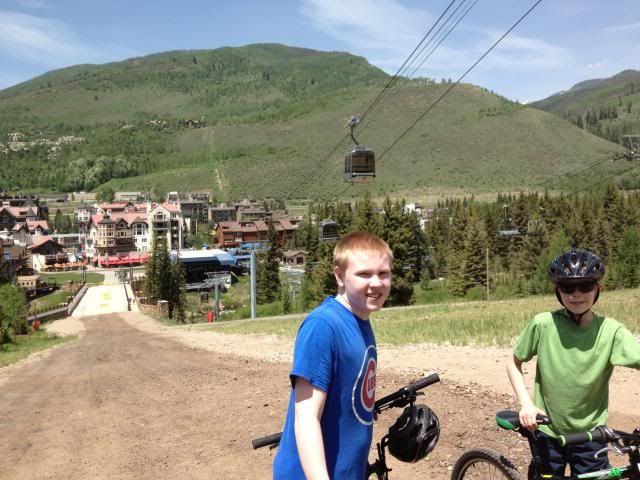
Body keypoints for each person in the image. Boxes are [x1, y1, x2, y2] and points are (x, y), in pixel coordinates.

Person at [507, 249, 640, 477]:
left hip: (591, 436)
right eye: (568, 287)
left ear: (597, 289)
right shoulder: (543, 324)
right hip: (547, 431)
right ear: (558, 291)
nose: (576, 294)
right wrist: (527, 404)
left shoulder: (611, 331)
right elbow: (513, 361)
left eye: (585, 286)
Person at [273, 231, 393, 480]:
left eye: (383, 273)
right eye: (364, 274)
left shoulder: (360, 321)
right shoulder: (323, 326)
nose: (376, 283)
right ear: (339, 276)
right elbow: (306, 418)